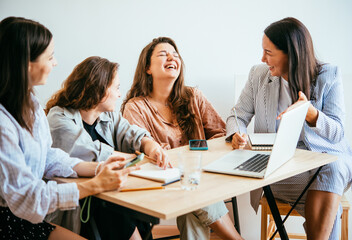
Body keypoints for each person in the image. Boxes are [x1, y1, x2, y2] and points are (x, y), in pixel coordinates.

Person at [0, 16, 137, 240]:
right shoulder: (4, 123)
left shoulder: (31, 105)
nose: (55, 63)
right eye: (50, 56)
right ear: (27, 64)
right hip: (11, 220)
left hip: (26, 217)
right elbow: (27, 199)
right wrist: (94, 185)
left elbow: (48, 157)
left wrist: (97, 169)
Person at [227, 17, 352, 240]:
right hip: (281, 166)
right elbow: (237, 115)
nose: (262, 58)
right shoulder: (258, 76)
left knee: (332, 170)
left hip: (324, 160)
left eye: (269, 52)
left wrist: (312, 113)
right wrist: (237, 133)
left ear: (291, 53)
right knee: (329, 199)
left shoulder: (329, 76)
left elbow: (337, 133)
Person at [122, 37, 244, 240]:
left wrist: (234, 139)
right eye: (163, 54)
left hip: (201, 178)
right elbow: (138, 149)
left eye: (175, 54)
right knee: (192, 190)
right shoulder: (135, 107)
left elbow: (220, 134)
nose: (171, 57)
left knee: (191, 204)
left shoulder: (194, 96)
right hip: (161, 185)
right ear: (147, 68)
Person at [46, 56, 170, 239]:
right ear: (100, 89)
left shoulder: (108, 116)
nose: (120, 95)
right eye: (117, 88)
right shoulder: (59, 118)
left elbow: (132, 133)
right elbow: (94, 153)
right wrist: (136, 158)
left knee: (136, 208)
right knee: (116, 211)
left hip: (108, 195)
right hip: (77, 204)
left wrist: (151, 146)